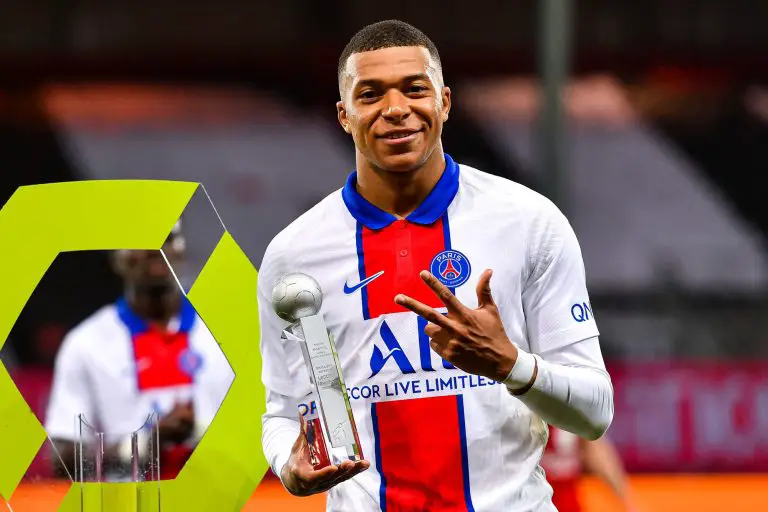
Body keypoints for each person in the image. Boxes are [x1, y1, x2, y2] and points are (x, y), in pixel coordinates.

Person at [259, 19, 614, 511]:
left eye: (414, 89)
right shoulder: (294, 255)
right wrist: (287, 464)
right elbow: (281, 412)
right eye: (370, 94)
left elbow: (595, 413)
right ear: (344, 115)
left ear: (444, 102)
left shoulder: (529, 222)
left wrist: (510, 365)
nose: (395, 109)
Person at [44, 224, 233, 481]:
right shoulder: (85, 343)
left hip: (226, 497)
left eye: (168, 237)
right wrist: (145, 446)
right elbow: (62, 459)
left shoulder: (227, 331)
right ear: (116, 258)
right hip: (130, 499)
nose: (155, 248)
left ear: (183, 249)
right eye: (140, 239)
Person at [542, 426, 638, 512]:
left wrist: (627, 501)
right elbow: (598, 455)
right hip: (552, 498)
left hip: (563, 499)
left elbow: (598, 455)